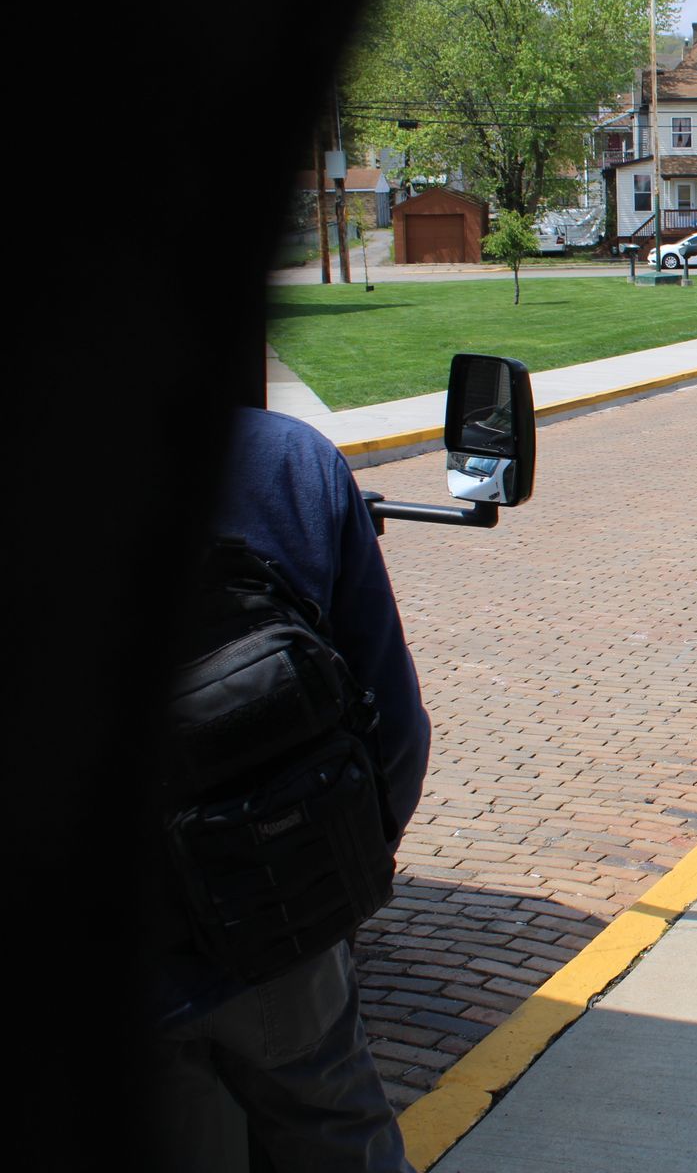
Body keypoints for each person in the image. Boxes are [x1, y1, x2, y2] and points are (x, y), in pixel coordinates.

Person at [149, 408, 430, 1172]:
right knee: (337, 1133)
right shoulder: (281, 457)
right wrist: (333, 886)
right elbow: (393, 731)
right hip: (277, 925)